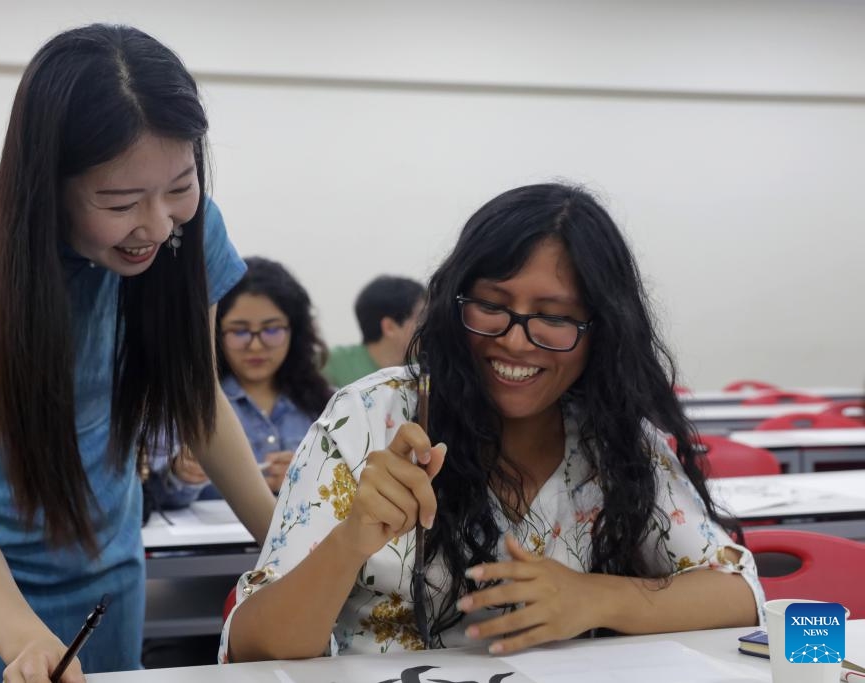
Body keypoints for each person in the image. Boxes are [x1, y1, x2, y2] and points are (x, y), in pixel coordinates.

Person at [0, 24, 275, 682]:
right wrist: (25, 640)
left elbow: (199, 400)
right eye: (120, 202)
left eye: (180, 184)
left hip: (101, 553)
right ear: (48, 181)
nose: (157, 225)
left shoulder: (186, 233)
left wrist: (289, 543)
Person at [221, 183, 764, 662]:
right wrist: (350, 541)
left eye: (553, 317)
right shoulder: (369, 419)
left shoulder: (614, 439)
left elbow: (738, 594)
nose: (514, 339)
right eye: (491, 305)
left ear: (601, 329)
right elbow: (252, 646)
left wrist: (595, 596)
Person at [145, 256, 334, 505]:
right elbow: (153, 497)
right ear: (212, 332)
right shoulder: (181, 404)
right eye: (239, 331)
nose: (256, 345)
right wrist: (181, 473)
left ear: (295, 331)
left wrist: (318, 479)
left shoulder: (331, 406)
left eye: (272, 329)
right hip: (209, 544)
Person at [322, 275, 426, 388]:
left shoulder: (425, 366)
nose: (428, 325)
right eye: (422, 318)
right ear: (389, 327)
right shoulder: (333, 364)